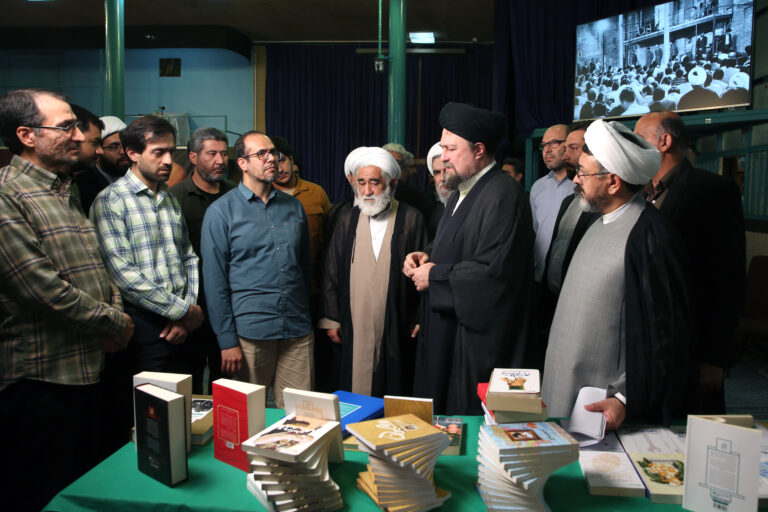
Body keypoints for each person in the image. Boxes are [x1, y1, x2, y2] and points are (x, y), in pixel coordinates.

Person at [0, 88, 133, 510]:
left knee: (83, 490)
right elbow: (42, 290)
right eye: (65, 127)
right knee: (43, 494)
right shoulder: (6, 195)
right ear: (27, 135)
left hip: (87, 370)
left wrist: (113, 310)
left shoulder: (64, 189)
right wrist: (116, 322)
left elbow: (97, 267)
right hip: (41, 382)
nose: (78, 136)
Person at [542, 119, 694, 430]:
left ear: (613, 182)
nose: (576, 180)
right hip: (564, 381)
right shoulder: (597, 221)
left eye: (583, 173)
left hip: (602, 401)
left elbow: (667, 334)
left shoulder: (650, 235)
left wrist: (625, 397)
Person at [404, 102, 535, 415]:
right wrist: (427, 254)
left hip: (473, 346)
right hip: (444, 333)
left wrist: (434, 276)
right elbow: (457, 242)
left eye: (451, 149)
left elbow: (495, 274)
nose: (444, 157)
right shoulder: (462, 190)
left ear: (479, 150)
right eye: (443, 148)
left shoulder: (504, 194)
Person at [635, 111, 746, 414]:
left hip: (693, 342)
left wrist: (714, 358)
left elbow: (728, 279)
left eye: (639, 138)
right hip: (653, 342)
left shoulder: (712, 190)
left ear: (664, 142)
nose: (633, 145)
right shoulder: (642, 192)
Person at [201, 131, 313, 408]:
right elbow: (215, 283)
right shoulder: (220, 212)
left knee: (301, 416)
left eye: (273, 152)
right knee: (246, 417)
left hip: (297, 329)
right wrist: (227, 341)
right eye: (261, 154)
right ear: (242, 163)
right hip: (250, 333)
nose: (271, 158)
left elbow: (305, 267)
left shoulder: (294, 207)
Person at [92, 116, 202, 380]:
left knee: (184, 400)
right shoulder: (110, 201)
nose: (168, 160)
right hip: (142, 325)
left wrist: (186, 310)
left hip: (182, 324)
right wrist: (181, 311)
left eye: (171, 152)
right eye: (158, 152)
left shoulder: (169, 200)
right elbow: (121, 273)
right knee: (147, 404)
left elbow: (189, 257)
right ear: (132, 153)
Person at [320, 147, 427, 396]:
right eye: (362, 183)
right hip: (353, 318)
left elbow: (423, 274)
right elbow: (331, 269)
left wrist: (420, 317)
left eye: (374, 183)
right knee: (354, 382)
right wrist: (331, 318)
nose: (367, 191)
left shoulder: (412, 219)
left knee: (395, 383)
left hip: (397, 318)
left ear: (391, 183)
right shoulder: (346, 220)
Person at [169, 127, 236, 393]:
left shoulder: (236, 196)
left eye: (224, 154)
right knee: (192, 381)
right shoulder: (174, 199)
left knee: (228, 383)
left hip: (230, 304)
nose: (220, 160)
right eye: (212, 154)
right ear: (193, 157)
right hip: (192, 306)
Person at [530, 124, 573, 282]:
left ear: (569, 145)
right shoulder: (537, 187)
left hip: (570, 279)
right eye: (544, 145)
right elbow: (534, 232)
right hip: (539, 278)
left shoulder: (582, 184)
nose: (547, 150)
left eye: (554, 143)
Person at [74, 115, 129, 215]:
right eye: (113, 147)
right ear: (99, 150)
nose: (123, 152)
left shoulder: (136, 178)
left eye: (125, 145)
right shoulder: (83, 184)